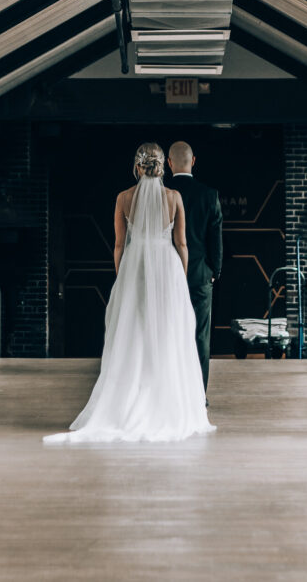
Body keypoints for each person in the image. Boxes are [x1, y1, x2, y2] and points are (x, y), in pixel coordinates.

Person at [44, 143, 215, 443]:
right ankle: (168, 403)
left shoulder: (124, 198)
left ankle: (127, 403)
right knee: (169, 334)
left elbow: (120, 245)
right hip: (167, 266)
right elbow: (183, 244)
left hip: (135, 265)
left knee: (133, 333)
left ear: (137, 167)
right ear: (163, 166)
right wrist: (180, 277)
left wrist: (123, 274)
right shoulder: (173, 197)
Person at [166, 141, 223, 398]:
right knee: (200, 336)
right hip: (200, 275)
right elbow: (216, 239)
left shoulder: (163, 195)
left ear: (169, 163)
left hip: (167, 274)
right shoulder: (208, 195)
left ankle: (171, 393)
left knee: (168, 333)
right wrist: (215, 270)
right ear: (193, 161)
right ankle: (198, 395)